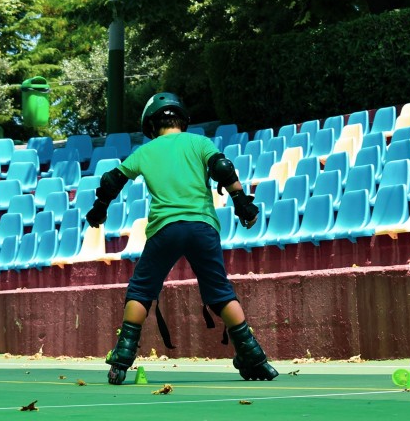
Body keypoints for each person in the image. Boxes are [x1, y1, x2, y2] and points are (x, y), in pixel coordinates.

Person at [86, 92, 279, 385]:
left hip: (166, 228)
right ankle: (253, 356)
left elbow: (111, 180)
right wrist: (242, 203)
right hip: (203, 226)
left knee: (141, 289)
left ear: (150, 124)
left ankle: (123, 357)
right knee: (219, 291)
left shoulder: (145, 151)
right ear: (183, 119)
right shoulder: (199, 142)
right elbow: (222, 168)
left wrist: (98, 210)